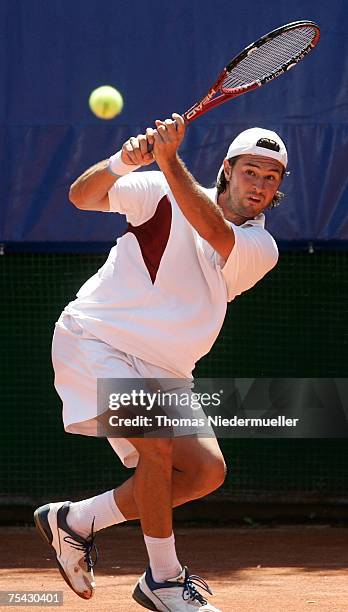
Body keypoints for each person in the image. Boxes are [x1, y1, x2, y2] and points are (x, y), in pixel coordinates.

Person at [34, 114, 287, 611]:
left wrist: (168, 159)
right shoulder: (155, 190)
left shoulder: (262, 247)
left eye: (270, 177)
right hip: (97, 339)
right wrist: (120, 162)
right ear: (228, 169)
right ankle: (164, 580)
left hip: (165, 368)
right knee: (158, 447)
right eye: (250, 171)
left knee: (205, 473)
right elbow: (81, 197)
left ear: (277, 191)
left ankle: (76, 520)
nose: (257, 185)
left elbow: (212, 228)